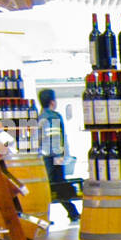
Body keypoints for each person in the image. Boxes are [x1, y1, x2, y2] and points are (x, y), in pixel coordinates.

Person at [35, 89, 80, 222]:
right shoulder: (54, 116)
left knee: (52, 186)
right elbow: (56, 138)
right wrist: (62, 156)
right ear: (52, 102)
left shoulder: (39, 117)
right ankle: (70, 213)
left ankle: (71, 213)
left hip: (45, 156)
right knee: (59, 185)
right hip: (55, 157)